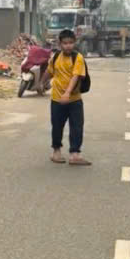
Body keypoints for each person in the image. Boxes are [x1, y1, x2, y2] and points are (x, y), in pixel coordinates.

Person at [40, 28, 91, 165]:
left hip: (74, 99)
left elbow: (76, 76)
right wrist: (41, 82)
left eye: (71, 43)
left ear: (75, 42)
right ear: (60, 44)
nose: (68, 46)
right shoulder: (56, 57)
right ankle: (56, 152)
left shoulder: (78, 58)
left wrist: (67, 93)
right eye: (65, 43)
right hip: (57, 99)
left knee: (77, 127)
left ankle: (75, 154)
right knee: (57, 126)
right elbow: (49, 71)